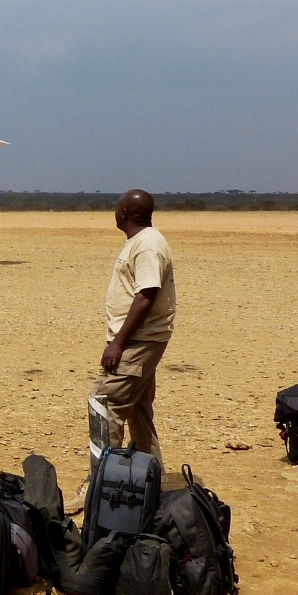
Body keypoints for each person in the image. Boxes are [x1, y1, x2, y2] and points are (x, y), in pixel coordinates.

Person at [94, 188, 176, 463]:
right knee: (138, 410)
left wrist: (119, 343)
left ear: (124, 213)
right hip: (140, 340)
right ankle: (149, 479)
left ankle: (99, 482)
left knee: (105, 404)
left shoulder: (148, 245)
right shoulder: (142, 240)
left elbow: (146, 294)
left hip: (138, 341)